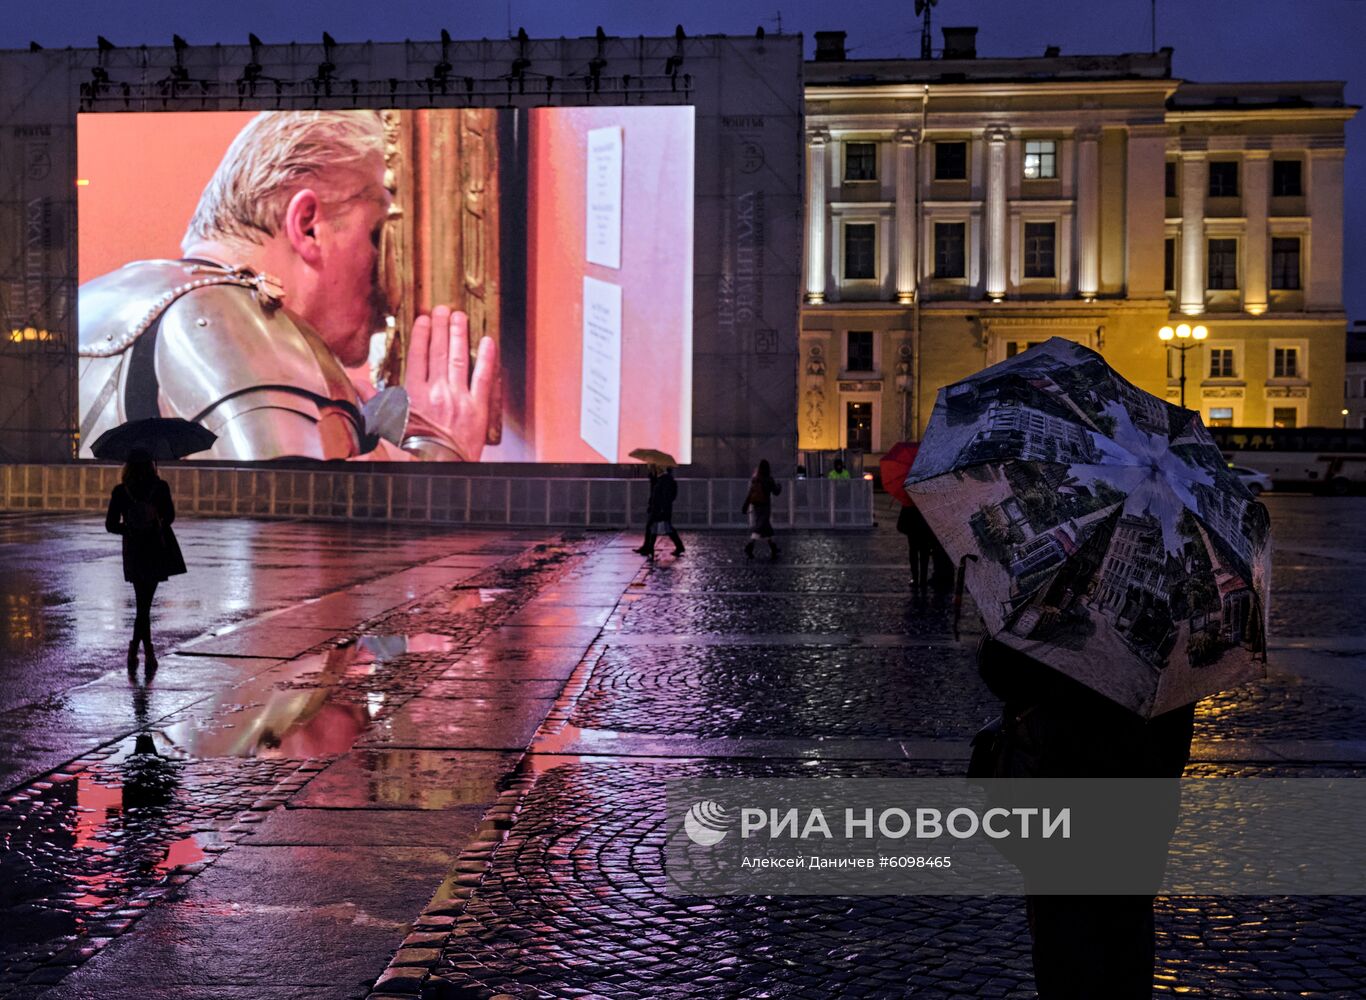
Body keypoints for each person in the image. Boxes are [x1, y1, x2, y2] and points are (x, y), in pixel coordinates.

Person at [78, 110, 499, 462]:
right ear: (309, 225)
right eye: (376, 236)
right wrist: (441, 450)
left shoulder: (91, 303)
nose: (390, 282)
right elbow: (284, 551)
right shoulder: (245, 329)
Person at [976, 639, 1194, 999]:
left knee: (1064, 951)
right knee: (1126, 950)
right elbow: (1177, 734)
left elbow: (1000, 672)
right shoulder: (1177, 631)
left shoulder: (1061, 610)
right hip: (1139, 817)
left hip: (1059, 806)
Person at [106, 449, 187, 674]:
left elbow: (111, 525)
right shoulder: (160, 488)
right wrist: (155, 521)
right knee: (144, 604)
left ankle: (136, 649)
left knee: (142, 603)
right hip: (154, 548)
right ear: (151, 465)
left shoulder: (121, 491)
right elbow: (170, 517)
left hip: (133, 550)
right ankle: (146, 651)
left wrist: (130, 528)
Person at [635, 465, 684, 559]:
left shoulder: (665, 480)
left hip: (660, 509)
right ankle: (650, 547)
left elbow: (665, 496)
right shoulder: (663, 479)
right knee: (658, 527)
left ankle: (650, 548)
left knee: (655, 527)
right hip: (659, 508)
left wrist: (662, 509)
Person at [741, 459, 783, 559]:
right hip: (765, 506)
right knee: (760, 527)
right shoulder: (769, 479)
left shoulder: (755, 479)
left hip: (756, 506)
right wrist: (779, 486)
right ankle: (749, 546)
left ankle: (773, 547)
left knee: (766, 527)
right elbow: (776, 492)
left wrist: (745, 506)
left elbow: (750, 493)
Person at [895, 500, 934, 591]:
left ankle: (915, 579)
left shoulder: (908, 500)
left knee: (914, 554)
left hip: (913, 531)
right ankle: (923, 579)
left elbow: (901, 522)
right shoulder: (927, 501)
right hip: (925, 531)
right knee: (924, 555)